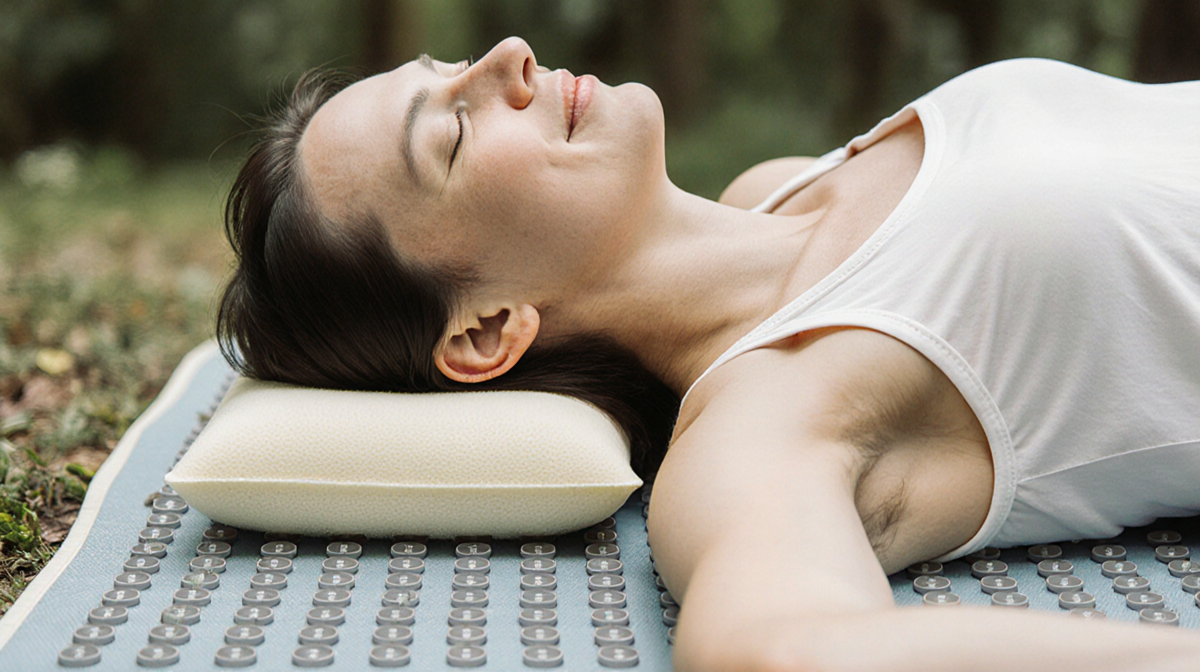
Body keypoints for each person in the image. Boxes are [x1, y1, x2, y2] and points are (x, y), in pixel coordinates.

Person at [217, 36, 1200, 671]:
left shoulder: (777, 188)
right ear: (484, 329)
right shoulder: (763, 422)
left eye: (454, 65)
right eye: (456, 132)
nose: (508, 57)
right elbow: (782, 648)